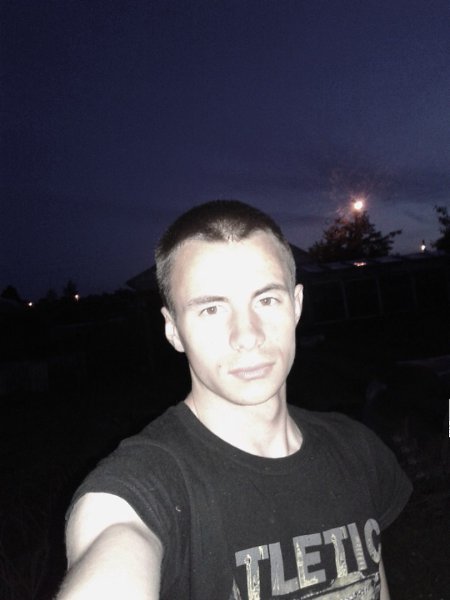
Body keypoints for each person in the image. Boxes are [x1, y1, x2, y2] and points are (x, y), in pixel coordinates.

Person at [57, 200, 411, 600]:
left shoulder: (357, 450)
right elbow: (113, 542)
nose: (247, 335)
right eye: (211, 309)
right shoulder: (146, 485)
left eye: (266, 300)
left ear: (296, 305)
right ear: (173, 330)